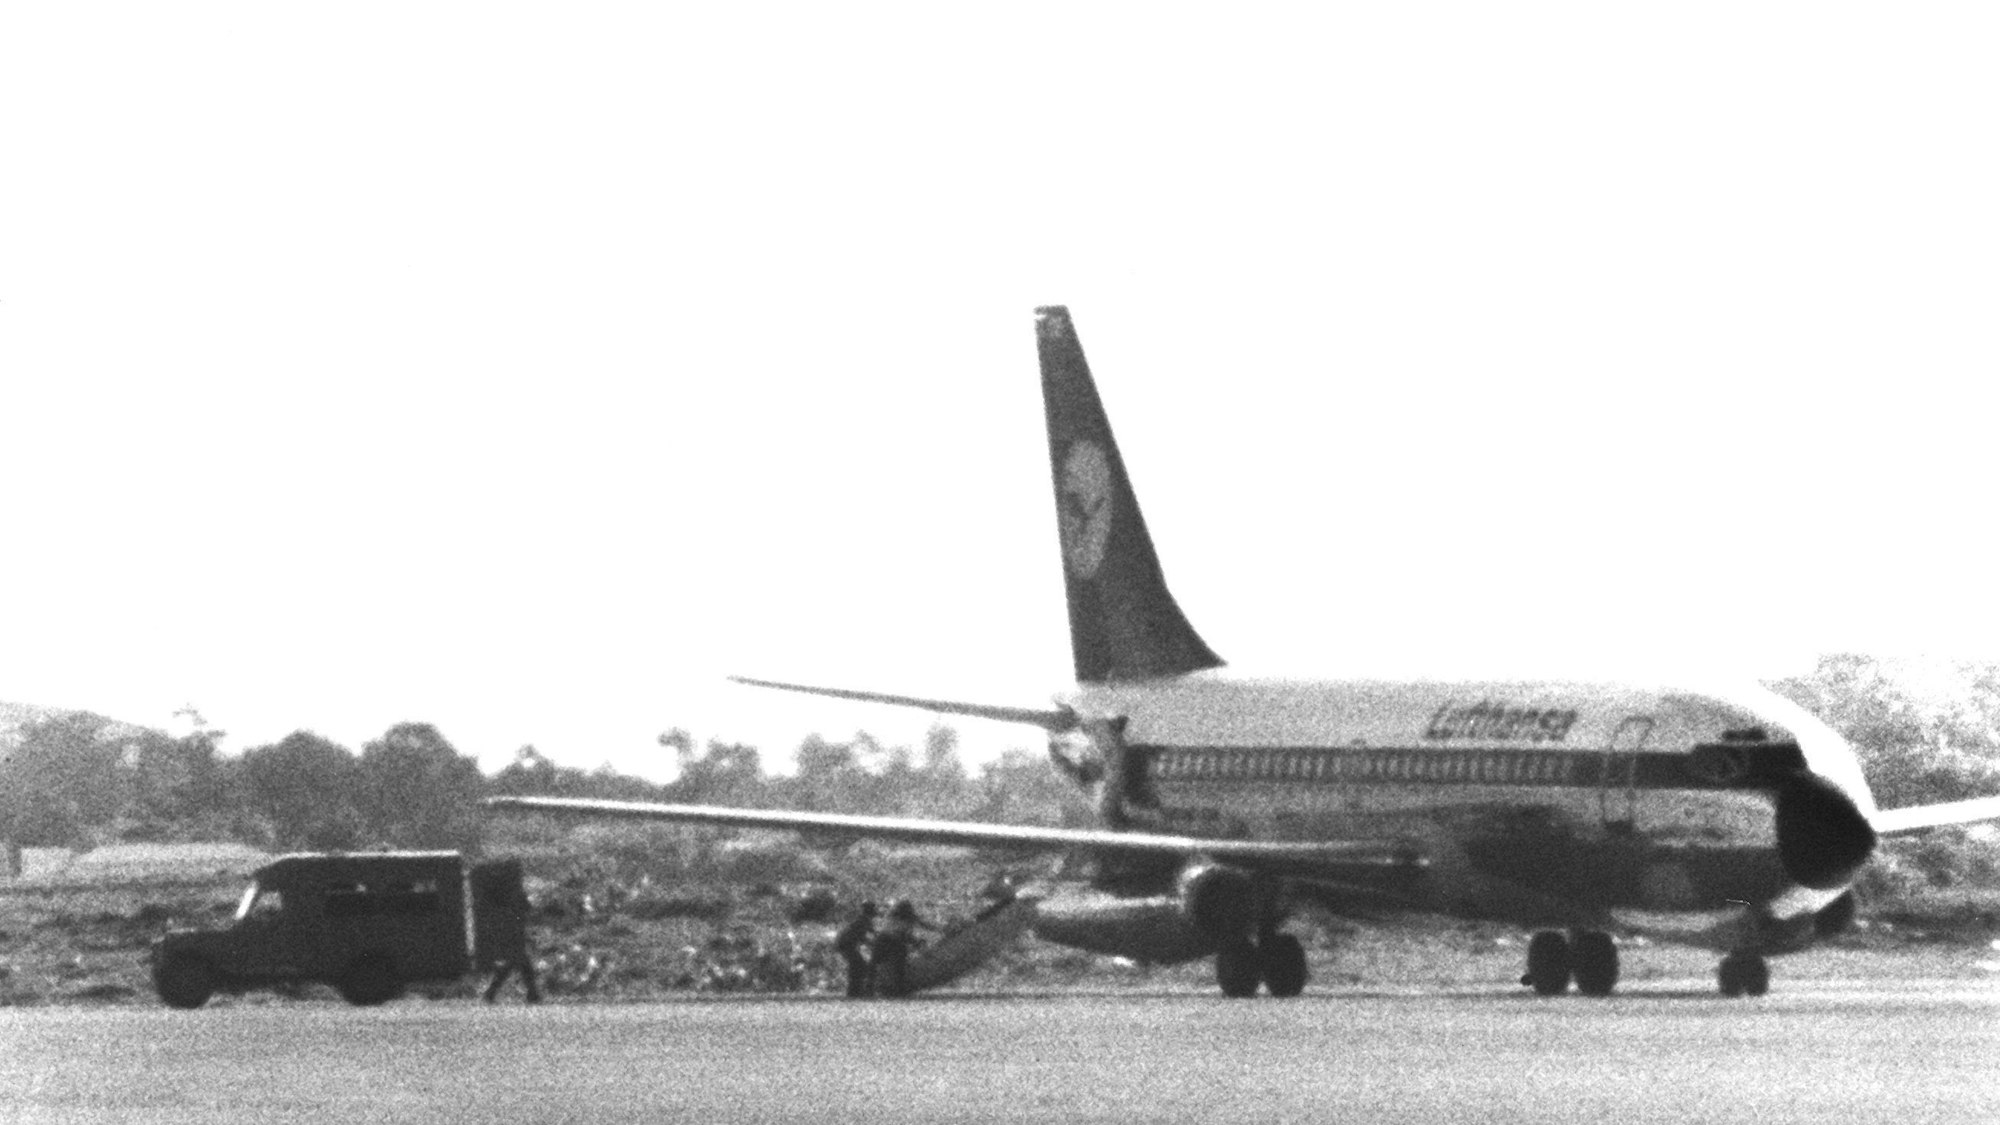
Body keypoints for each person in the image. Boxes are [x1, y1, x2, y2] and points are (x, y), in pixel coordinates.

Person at [869, 899, 936, 998]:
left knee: (876, 964)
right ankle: (896, 988)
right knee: (897, 966)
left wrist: (917, 942)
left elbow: (923, 926)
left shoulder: (892, 916)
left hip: (883, 940)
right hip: (892, 941)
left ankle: (871, 988)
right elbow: (904, 934)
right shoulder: (902, 918)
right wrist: (917, 943)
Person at [833, 901, 878, 998]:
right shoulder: (864, 921)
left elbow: (869, 934)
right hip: (846, 944)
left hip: (847, 944)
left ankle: (855, 991)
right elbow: (865, 936)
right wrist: (873, 942)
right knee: (858, 965)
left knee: (858, 965)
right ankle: (854, 991)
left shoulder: (863, 920)